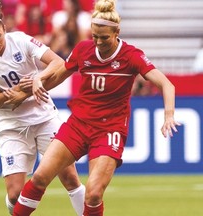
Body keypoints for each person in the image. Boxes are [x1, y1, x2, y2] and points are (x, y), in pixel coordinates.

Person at [13, 0, 181, 215]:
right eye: (95, 36)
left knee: (93, 193)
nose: (99, 42)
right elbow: (58, 75)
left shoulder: (131, 56)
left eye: (104, 38)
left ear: (117, 32)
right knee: (39, 178)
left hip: (109, 130)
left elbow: (166, 84)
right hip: (78, 125)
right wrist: (37, 82)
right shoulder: (83, 49)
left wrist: (169, 115)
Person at [0, 0, 85, 215]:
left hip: (43, 117)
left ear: (5, 29)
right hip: (11, 124)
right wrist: (19, 95)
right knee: (15, 194)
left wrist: (36, 79)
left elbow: (58, 63)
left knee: (70, 178)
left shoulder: (21, 41)